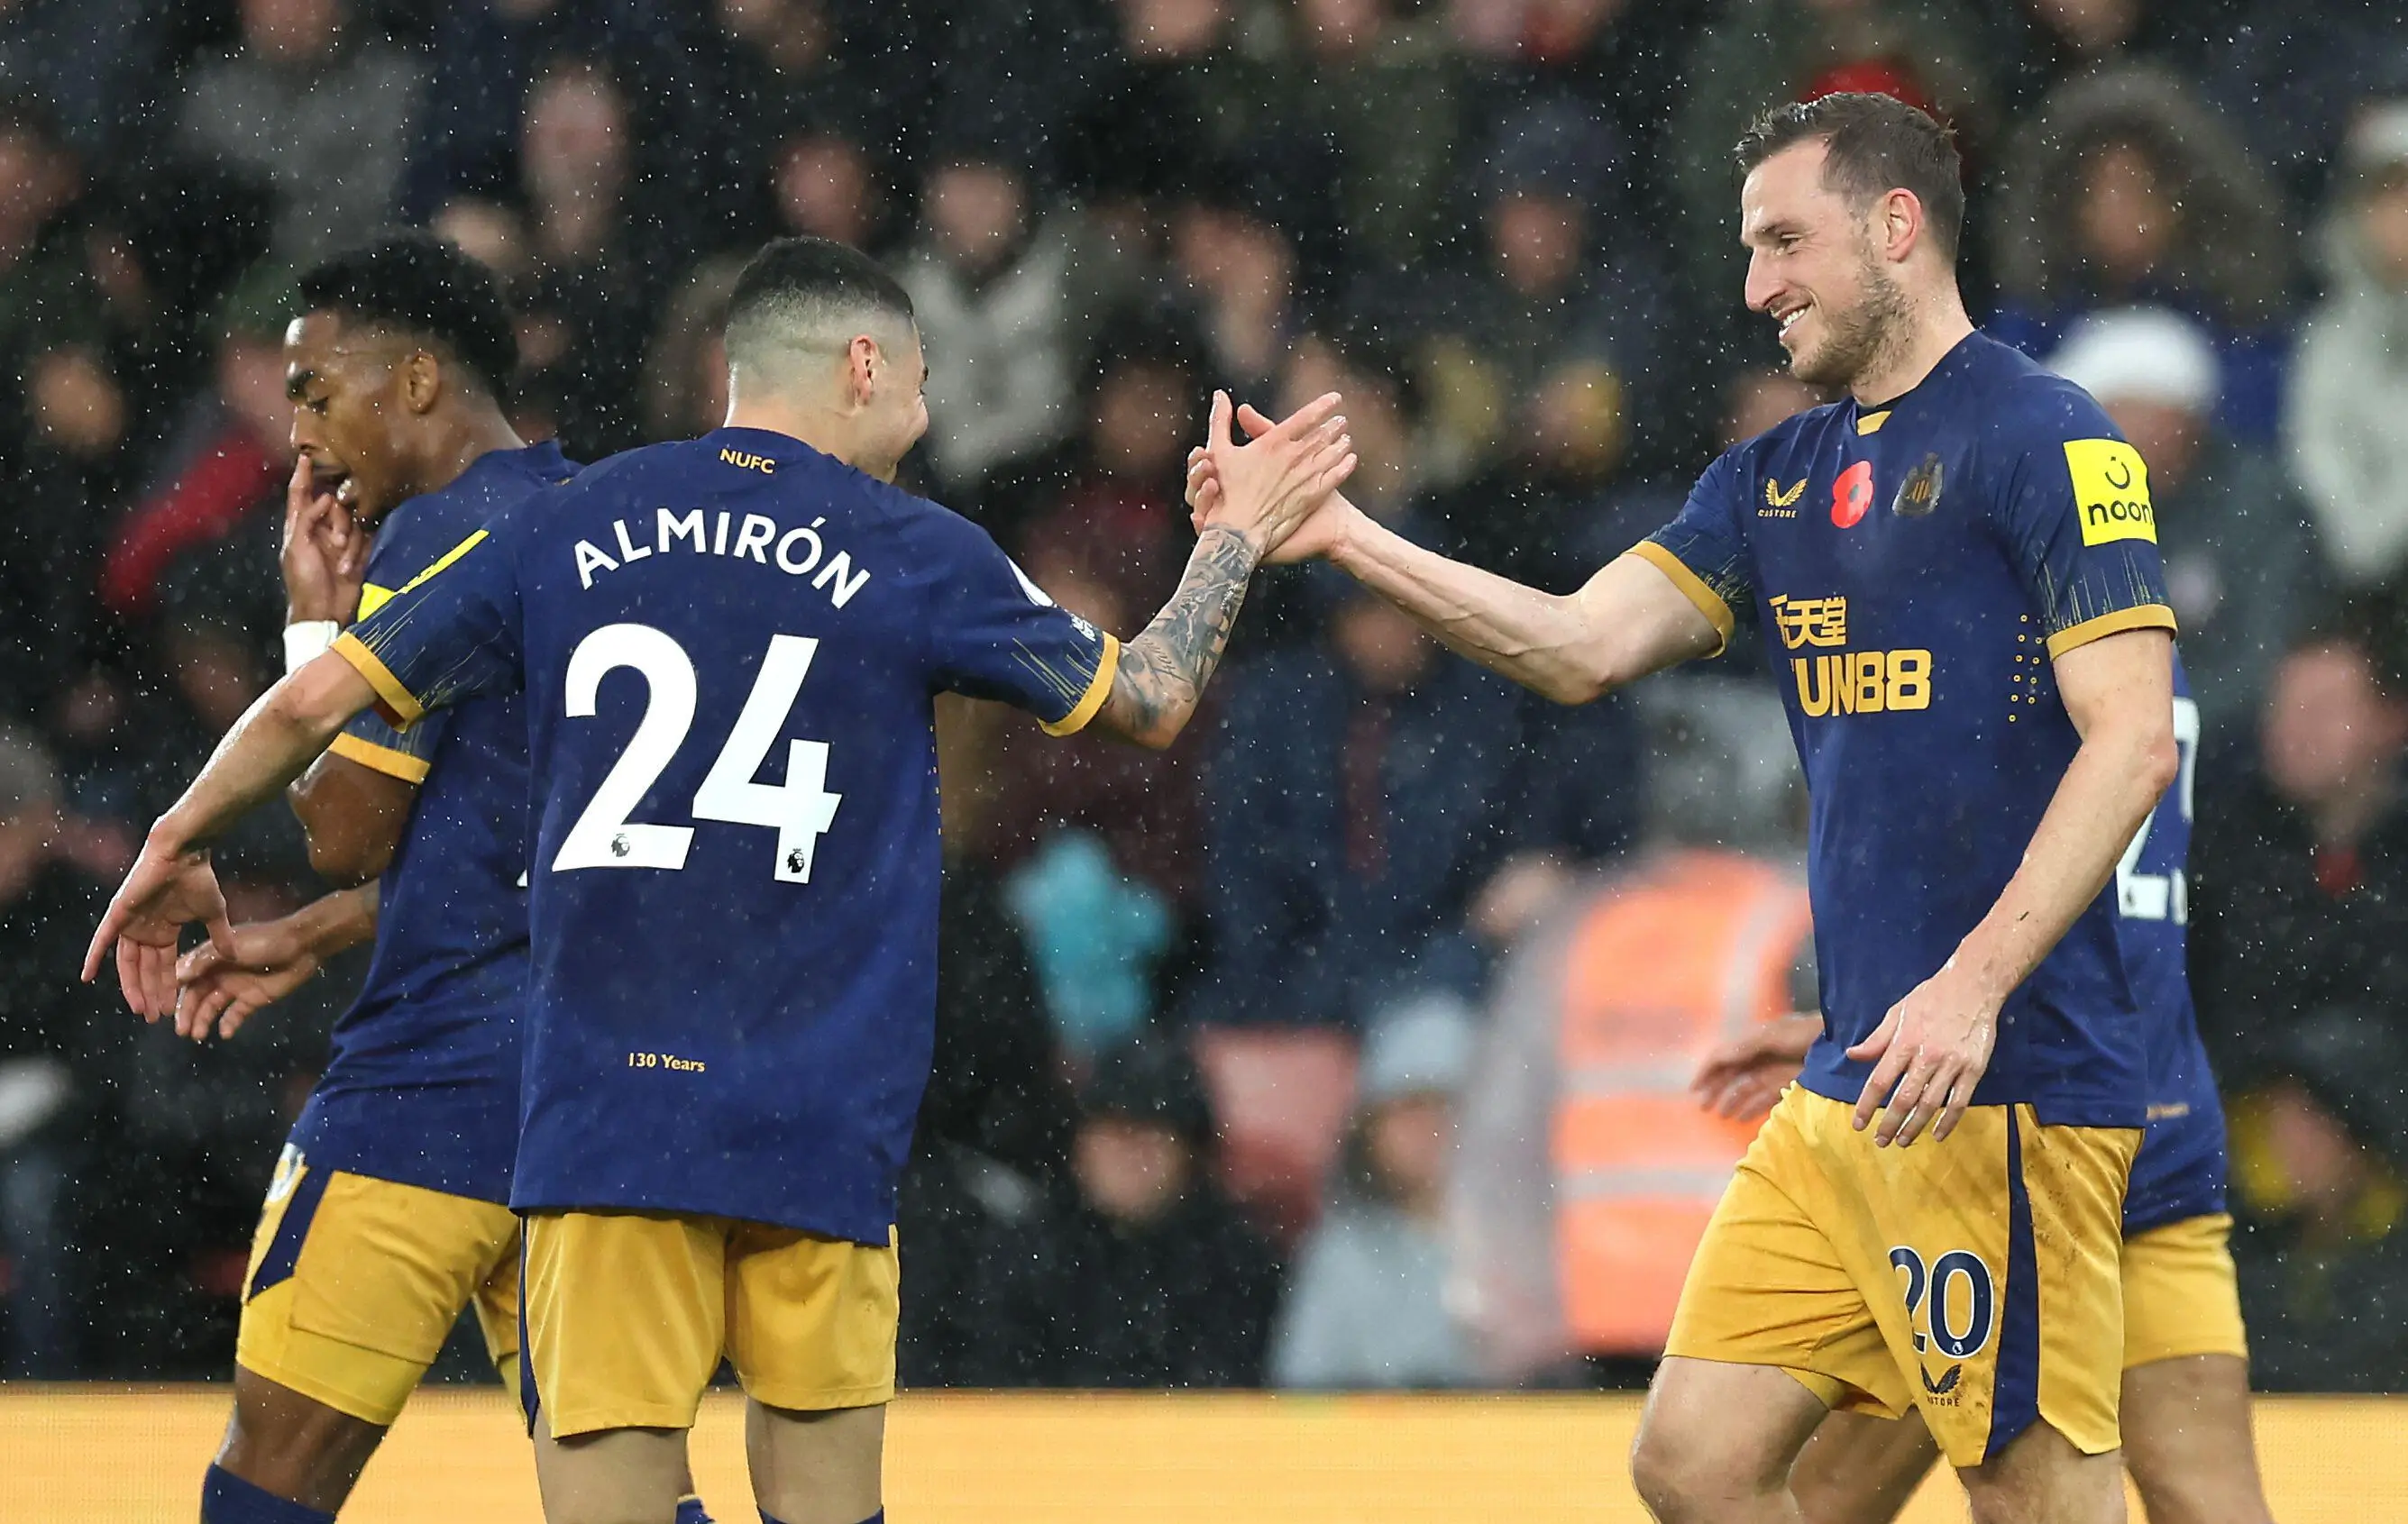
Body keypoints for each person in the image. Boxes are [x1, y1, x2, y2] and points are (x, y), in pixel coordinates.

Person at [89, 234, 1353, 1524]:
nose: (924, 421)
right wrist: (1234, 536)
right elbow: (1151, 696)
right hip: (814, 1111)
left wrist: (173, 838)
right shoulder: (917, 549)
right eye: (920, 385)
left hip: (606, 1111)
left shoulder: (573, 523)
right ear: (863, 366)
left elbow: (319, 709)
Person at [1192, 92, 2178, 1522]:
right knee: (1693, 1461)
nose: (1754, 284)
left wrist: (1965, 988)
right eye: (1745, 247)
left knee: (2031, 1490)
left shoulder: (2046, 436)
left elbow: (2132, 740)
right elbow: (1574, 642)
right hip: (1854, 1083)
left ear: (1896, 227)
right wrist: (1342, 534)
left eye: (1783, 240)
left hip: (2007, 1086)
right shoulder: (1772, 479)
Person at [146, 235, 712, 1524]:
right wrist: (331, 929)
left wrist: (314, 624)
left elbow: (341, 823)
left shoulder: (443, 535)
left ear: (413, 381)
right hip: (600, 1090)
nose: (300, 435)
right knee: (627, 1496)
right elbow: (542, 847)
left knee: (269, 1481)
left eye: (313, 390)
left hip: (435, 1085)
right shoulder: (607, 527)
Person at [1689, 661, 2275, 1524]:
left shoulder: (2010, 636)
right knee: (2202, 1500)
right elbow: (2096, 923)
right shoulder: (2140, 649)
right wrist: (1872, 1025)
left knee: (1809, 1499)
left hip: (2006, 1149)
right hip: (2142, 1123)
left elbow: (2025, 898)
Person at [1269, 994, 1479, 1390]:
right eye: (1408, 1111)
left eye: (1445, 1109)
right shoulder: (1340, 1253)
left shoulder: (1527, 1247)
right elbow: (1304, 1387)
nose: (1427, 1131)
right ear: (1370, 1130)